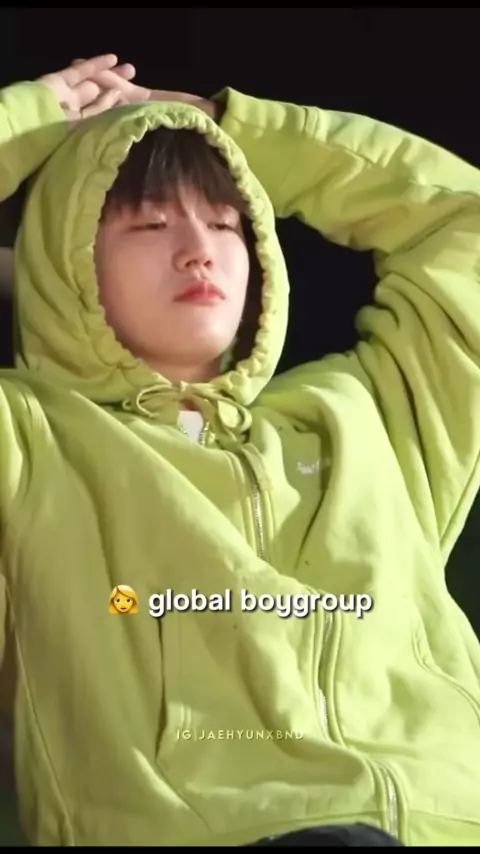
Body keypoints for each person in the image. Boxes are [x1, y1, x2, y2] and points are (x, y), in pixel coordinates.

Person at [0, 52, 480, 848]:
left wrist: (241, 133)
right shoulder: (28, 441)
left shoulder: (365, 415)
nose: (200, 250)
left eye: (227, 223)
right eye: (151, 224)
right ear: (62, 257)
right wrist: (29, 121)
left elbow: (464, 221)